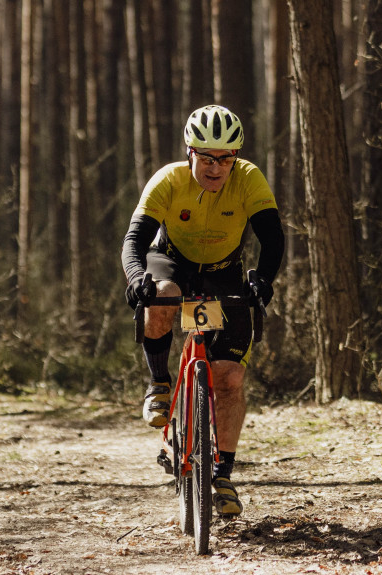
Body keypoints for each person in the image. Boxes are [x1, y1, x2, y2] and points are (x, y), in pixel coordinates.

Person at [121, 105, 284, 518]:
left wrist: (263, 279)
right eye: (207, 158)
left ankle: (222, 475)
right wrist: (137, 276)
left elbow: (272, 238)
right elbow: (134, 240)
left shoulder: (248, 179)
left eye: (225, 159)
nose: (216, 168)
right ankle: (159, 382)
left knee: (229, 377)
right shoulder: (168, 180)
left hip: (223, 273)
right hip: (171, 261)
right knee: (162, 293)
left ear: (236, 157)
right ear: (189, 152)